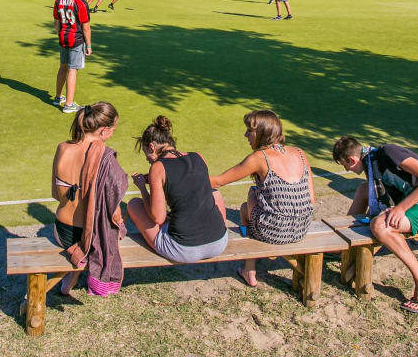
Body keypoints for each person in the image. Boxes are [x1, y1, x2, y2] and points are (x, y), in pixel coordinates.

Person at [333, 136, 418, 314]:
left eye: (344, 165)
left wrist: (400, 209)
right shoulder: (371, 163)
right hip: (415, 205)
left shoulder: (390, 153)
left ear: (352, 159)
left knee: (380, 226)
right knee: (362, 190)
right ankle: (342, 246)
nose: (346, 169)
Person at [210, 110, 314, 286]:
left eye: (249, 130)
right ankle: (249, 269)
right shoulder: (300, 152)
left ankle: (249, 269)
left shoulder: (259, 157)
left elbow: (219, 181)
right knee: (252, 198)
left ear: (262, 132)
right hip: (302, 227)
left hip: (275, 230)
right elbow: (310, 200)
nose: (246, 135)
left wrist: (184, 174)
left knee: (250, 198)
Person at [126, 116, 229, 264]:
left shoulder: (157, 167)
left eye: (146, 152)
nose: (147, 158)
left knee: (134, 204)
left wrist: (143, 187)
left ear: (152, 147)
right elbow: (187, 184)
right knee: (215, 194)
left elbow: (158, 218)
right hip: (219, 242)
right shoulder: (198, 156)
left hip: (183, 249)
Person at [51, 102, 127, 295]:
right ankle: (70, 280)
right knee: (111, 229)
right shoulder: (105, 158)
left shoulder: (62, 148)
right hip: (87, 235)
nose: (112, 134)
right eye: (112, 130)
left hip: (61, 231)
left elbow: (56, 194)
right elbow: (114, 209)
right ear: (103, 130)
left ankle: (68, 282)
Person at [53, 0, 92, 113]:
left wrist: (60, 35)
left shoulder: (58, 0)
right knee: (72, 70)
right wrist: (88, 45)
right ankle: (69, 105)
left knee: (63, 66)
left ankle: (58, 97)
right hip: (76, 40)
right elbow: (86, 27)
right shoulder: (81, 2)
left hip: (62, 38)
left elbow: (56, 23)